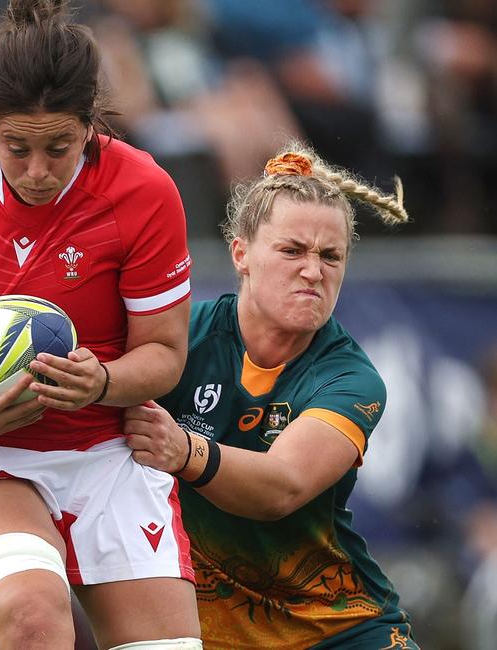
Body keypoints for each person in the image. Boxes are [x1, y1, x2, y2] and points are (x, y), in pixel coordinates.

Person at [0, 1, 202, 649]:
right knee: (33, 611)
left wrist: (102, 380)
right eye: (16, 147)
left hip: (112, 454)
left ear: (90, 126)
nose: (36, 171)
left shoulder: (143, 190)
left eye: (58, 147)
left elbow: (164, 354)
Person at [124, 144, 421, 648]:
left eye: (331, 256)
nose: (314, 271)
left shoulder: (351, 377)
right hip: (205, 633)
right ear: (241, 254)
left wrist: (183, 451)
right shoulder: (175, 340)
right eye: (292, 250)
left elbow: (282, 488)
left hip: (340, 629)